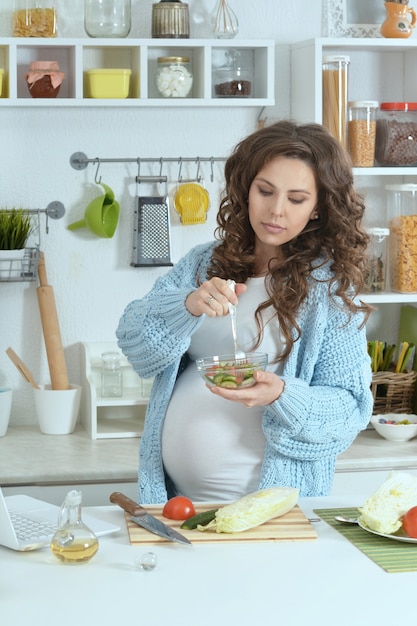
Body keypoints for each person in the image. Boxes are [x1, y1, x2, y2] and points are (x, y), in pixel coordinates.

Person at [116, 120, 374, 504]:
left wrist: (282, 395)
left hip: (269, 508)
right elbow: (134, 342)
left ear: (318, 209)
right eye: (265, 191)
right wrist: (186, 305)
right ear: (246, 189)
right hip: (177, 502)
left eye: (296, 199)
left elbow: (350, 410)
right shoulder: (203, 264)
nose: (275, 210)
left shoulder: (328, 289)